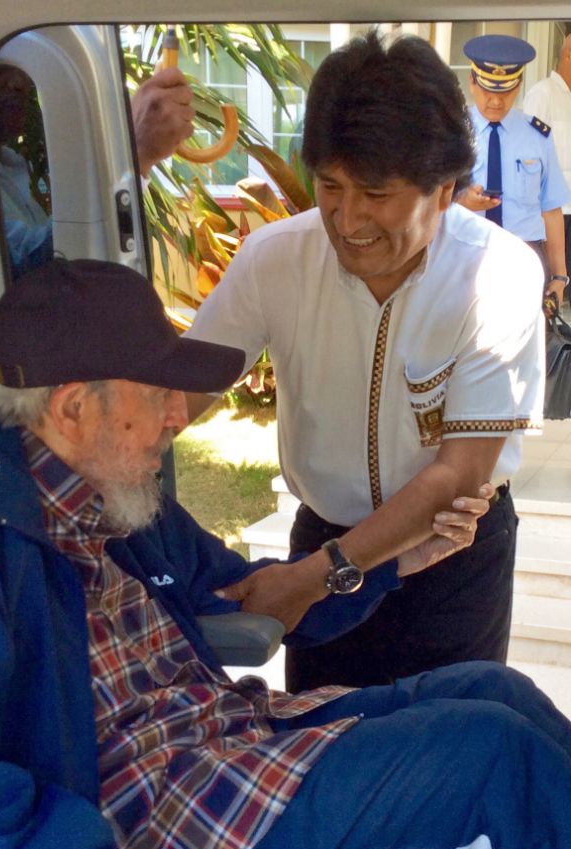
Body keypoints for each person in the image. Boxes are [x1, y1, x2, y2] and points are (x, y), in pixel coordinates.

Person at [0, 257, 571, 849]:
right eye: (157, 393)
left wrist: (388, 565)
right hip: (128, 821)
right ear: (70, 407)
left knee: (496, 693)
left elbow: (248, 596)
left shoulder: (116, 490)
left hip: (216, 740)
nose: (179, 417)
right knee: (496, 767)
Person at [184, 29, 545, 693]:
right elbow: (179, 395)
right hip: (321, 539)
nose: (348, 220)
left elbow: (458, 476)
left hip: (451, 557)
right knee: (322, 746)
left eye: (376, 194)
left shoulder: (499, 274)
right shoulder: (274, 260)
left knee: (445, 755)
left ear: (444, 189)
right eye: (329, 185)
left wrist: (319, 576)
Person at [0, 62, 194, 276]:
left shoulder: (9, 163)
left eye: (20, 67)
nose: (19, 82)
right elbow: (38, 269)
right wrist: (134, 156)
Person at [458, 34, 571, 308]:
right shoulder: (452, 134)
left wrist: (559, 275)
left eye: (505, 92)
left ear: (519, 85)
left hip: (525, 257)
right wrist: (460, 201)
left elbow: (551, 210)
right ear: (472, 83)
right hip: (464, 258)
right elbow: (426, 203)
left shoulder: (538, 136)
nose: (496, 102)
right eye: (488, 91)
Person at [523, 32, 571, 304]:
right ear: (568, 55)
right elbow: (530, 154)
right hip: (555, 214)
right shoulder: (543, 94)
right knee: (554, 292)